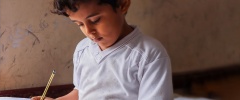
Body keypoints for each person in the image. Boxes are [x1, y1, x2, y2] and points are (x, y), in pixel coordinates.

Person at [32, 0, 173, 99]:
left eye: (95, 20)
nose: (89, 31)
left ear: (123, 4)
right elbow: (82, 93)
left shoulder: (149, 55)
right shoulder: (83, 49)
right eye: (79, 24)